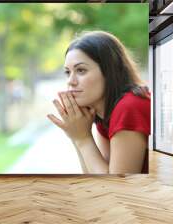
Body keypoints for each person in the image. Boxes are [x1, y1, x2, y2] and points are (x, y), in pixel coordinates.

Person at [47, 31, 150, 174]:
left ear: (109, 71)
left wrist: (83, 138)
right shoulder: (104, 113)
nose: (70, 81)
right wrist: (76, 136)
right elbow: (94, 175)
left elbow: (115, 189)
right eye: (67, 72)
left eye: (81, 70)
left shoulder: (130, 106)